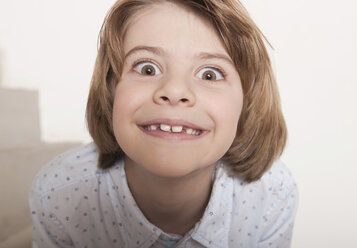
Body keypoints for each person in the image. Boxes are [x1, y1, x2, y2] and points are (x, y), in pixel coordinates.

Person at [29, 0, 298, 247]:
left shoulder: (271, 193)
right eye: (147, 68)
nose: (175, 90)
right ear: (110, 89)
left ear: (246, 102)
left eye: (210, 74)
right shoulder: (57, 195)